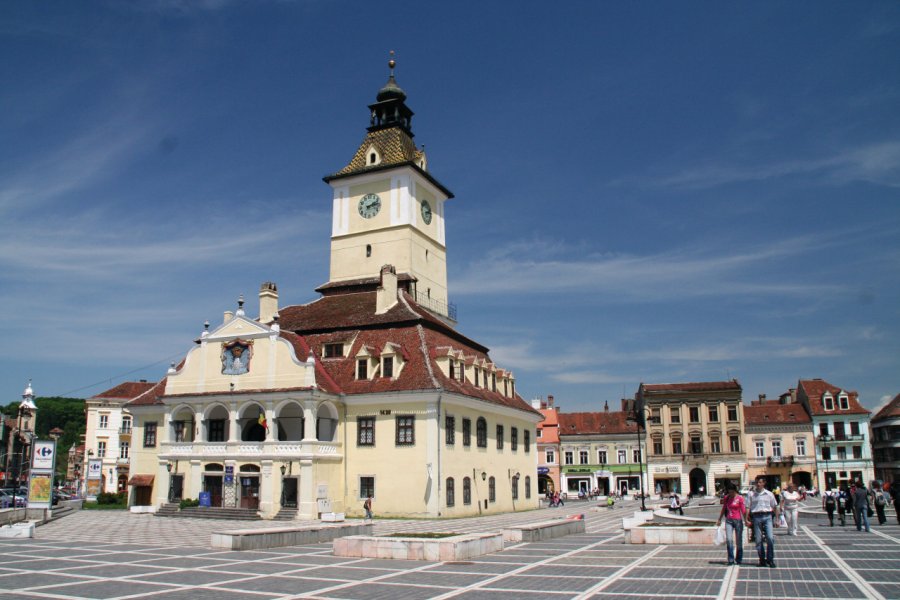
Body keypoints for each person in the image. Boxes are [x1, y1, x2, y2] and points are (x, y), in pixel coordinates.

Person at [747, 475, 778, 568]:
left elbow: (775, 506)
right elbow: (747, 506)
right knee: (758, 539)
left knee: (770, 538)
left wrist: (777, 519)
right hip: (756, 516)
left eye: (760, 482)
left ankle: (770, 559)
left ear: (764, 483)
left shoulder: (769, 494)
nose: (758, 484)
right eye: (757, 482)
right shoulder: (751, 494)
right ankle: (762, 559)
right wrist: (746, 518)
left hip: (767, 516)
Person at [716, 483, 747, 565]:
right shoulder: (727, 498)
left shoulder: (740, 498)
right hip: (729, 520)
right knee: (729, 540)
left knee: (738, 540)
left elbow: (743, 510)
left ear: (735, 491)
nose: (731, 494)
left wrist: (746, 520)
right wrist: (719, 519)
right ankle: (730, 559)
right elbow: (724, 508)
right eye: (729, 492)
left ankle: (739, 559)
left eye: (732, 492)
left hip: (738, 521)